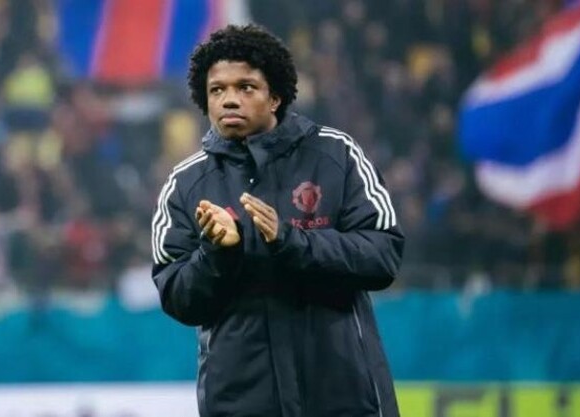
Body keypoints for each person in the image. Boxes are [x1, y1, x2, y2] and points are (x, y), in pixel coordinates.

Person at [151, 24, 405, 417]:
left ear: (275, 97)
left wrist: (290, 240)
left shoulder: (336, 155)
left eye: (246, 87)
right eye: (217, 90)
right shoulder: (185, 184)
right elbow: (178, 298)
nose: (229, 99)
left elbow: (383, 254)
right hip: (242, 405)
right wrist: (217, 253)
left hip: (343, 398)